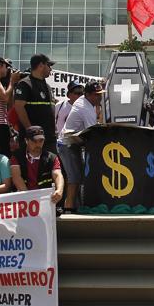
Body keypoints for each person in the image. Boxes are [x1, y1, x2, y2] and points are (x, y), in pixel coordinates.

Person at [59, 81, 103, 211]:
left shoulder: (87, 103)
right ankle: (69, 209)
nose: (100, 97)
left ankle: (75, 207)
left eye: (100, 94)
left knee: (79, 177)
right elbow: (92, 132)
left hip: (74, 144)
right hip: (67, 145)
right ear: (88, 94)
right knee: (74, 179)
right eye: (97, 95)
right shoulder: (85, 107)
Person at [14, 54, 58, 156]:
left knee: (51, 168)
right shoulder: (25, 84)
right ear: (41, 65)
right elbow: (19, 107)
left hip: (49, 138)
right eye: (49, 65)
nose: (51, 69)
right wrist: (31, 131)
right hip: (33, 140)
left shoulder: (47, 86)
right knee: (32, 169)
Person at [10, 126, 64, 205]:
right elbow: (16, 177)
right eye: (34, 141)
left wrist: (59, 190)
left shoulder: (52, 157)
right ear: (26, 141)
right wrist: (30, 199)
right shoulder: (16, 156)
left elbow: (58, 175)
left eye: (41, 140)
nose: (38, 144)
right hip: (23, 200)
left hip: (45, 201)